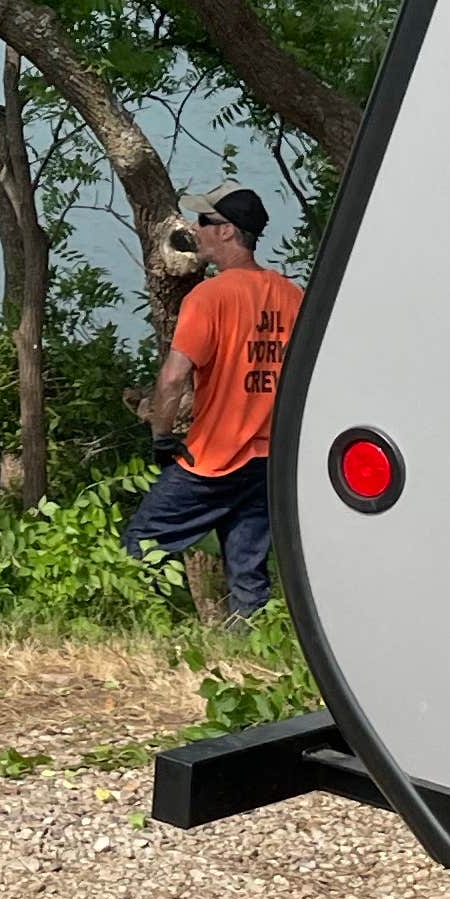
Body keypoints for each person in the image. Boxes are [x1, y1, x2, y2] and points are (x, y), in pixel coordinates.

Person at [125, 185, 303, 622]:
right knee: (248, 569)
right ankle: (253, 647)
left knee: (141, 543)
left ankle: (147, 627)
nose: (196, 230)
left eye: (204, 222)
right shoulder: (293, 297)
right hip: (271, 458)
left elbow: (173, 377)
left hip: (214, 458)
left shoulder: (208, 297)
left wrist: (162, 436)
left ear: (226, 232)